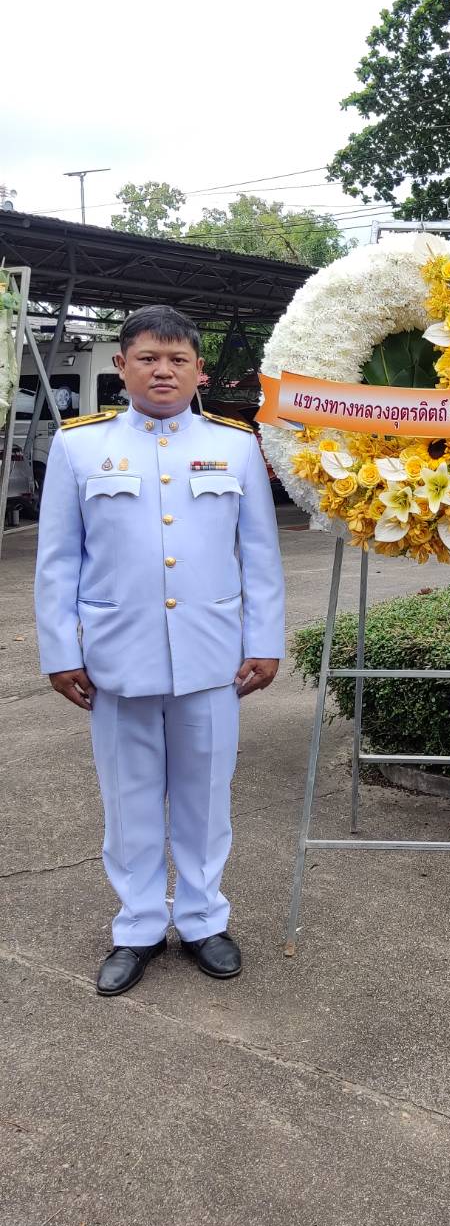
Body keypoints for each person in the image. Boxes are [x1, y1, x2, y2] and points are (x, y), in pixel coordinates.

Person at [35, 305, 286, 997]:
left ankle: (204, 919)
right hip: (117, 657)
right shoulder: (81, 447)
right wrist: (60, 651)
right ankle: (139, 925)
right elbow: (57, 561)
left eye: (178, 360)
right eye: (148, 358)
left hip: (211, 656)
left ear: (200, 370)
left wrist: (264, 641)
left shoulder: (235, 445)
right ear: (122, 366)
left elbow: (260, 555)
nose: (163, 371)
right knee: (130, 800)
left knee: (206, 799)